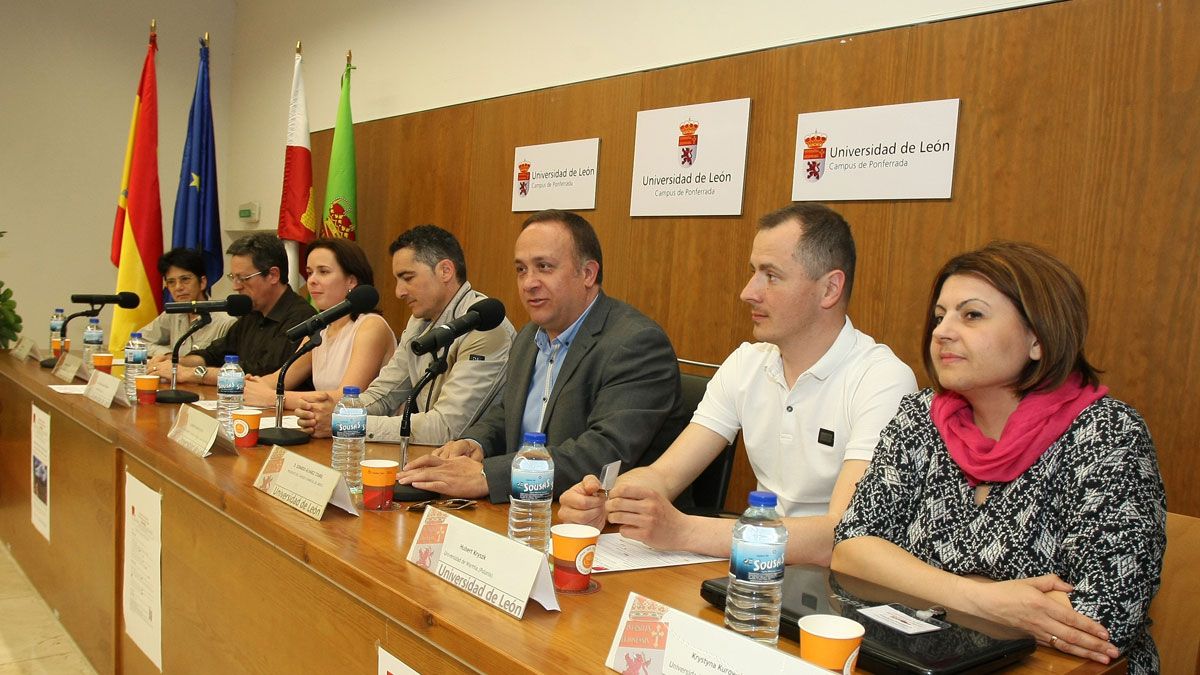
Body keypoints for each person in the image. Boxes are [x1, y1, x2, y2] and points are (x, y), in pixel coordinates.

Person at [832, 242, 1165, 673]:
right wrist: (984, 598)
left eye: (971, 315)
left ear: (1038, 340)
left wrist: (917, 582)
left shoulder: (1107, 433)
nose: (942, 332)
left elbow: (1105, 617)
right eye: (940, 316)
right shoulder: (920, 416)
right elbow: (852, 549)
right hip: (928, 660)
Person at [558, 203, 916, 565]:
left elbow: (839, 535)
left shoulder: (882, 380)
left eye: (771, 276)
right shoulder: (747, 362)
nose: (748, 292)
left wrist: (684, 530)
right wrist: (608, 500)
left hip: (829, 592)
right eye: (753, 272)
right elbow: (664, 475)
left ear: (829, 289)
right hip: (751, 571)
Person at [399, 210, 689, 502]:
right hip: (529, 511)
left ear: (588, 274)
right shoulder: (529, 336)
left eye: (544, 267)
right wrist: (476, 443)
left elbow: (605, 453)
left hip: (612, 524)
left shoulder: (636, 343)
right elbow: (507, 413)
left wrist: (489, 475)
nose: (528, 283)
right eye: (521, 269)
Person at [295, 224, 514, 444]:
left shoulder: (486, 327)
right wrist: (338, 413)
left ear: (445, 271)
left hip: (475, 463)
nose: (399, 292)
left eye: (408, 278)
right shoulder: (419, 320)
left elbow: (446, 427)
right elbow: (385, 393)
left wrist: (347, 424)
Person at [241, 238, 396, 408]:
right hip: (327, 427)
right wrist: (250, 386)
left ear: (351, 280)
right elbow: (279, 380)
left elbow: (346, 398)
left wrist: (273, 398)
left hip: (366, 431)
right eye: (309, 273)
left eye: (323, 272)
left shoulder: (371, 326)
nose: (312, 280)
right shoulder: (320, 328)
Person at [158, 233, 317, 383]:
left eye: (243, 278)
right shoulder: (252, 313)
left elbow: (262, 372)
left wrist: (192, 374)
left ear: (273, 275)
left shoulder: (301, 317)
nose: (235, 286)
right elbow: (214, 354)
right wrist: (177, 362)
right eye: (233, 277)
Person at [138, 247, 235, 358]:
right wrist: (169, 355)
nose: (178, 287)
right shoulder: (173, 314)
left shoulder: (226, 322)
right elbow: (138, 341)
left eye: (185, 279)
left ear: (202, 282)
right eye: (171, 282)